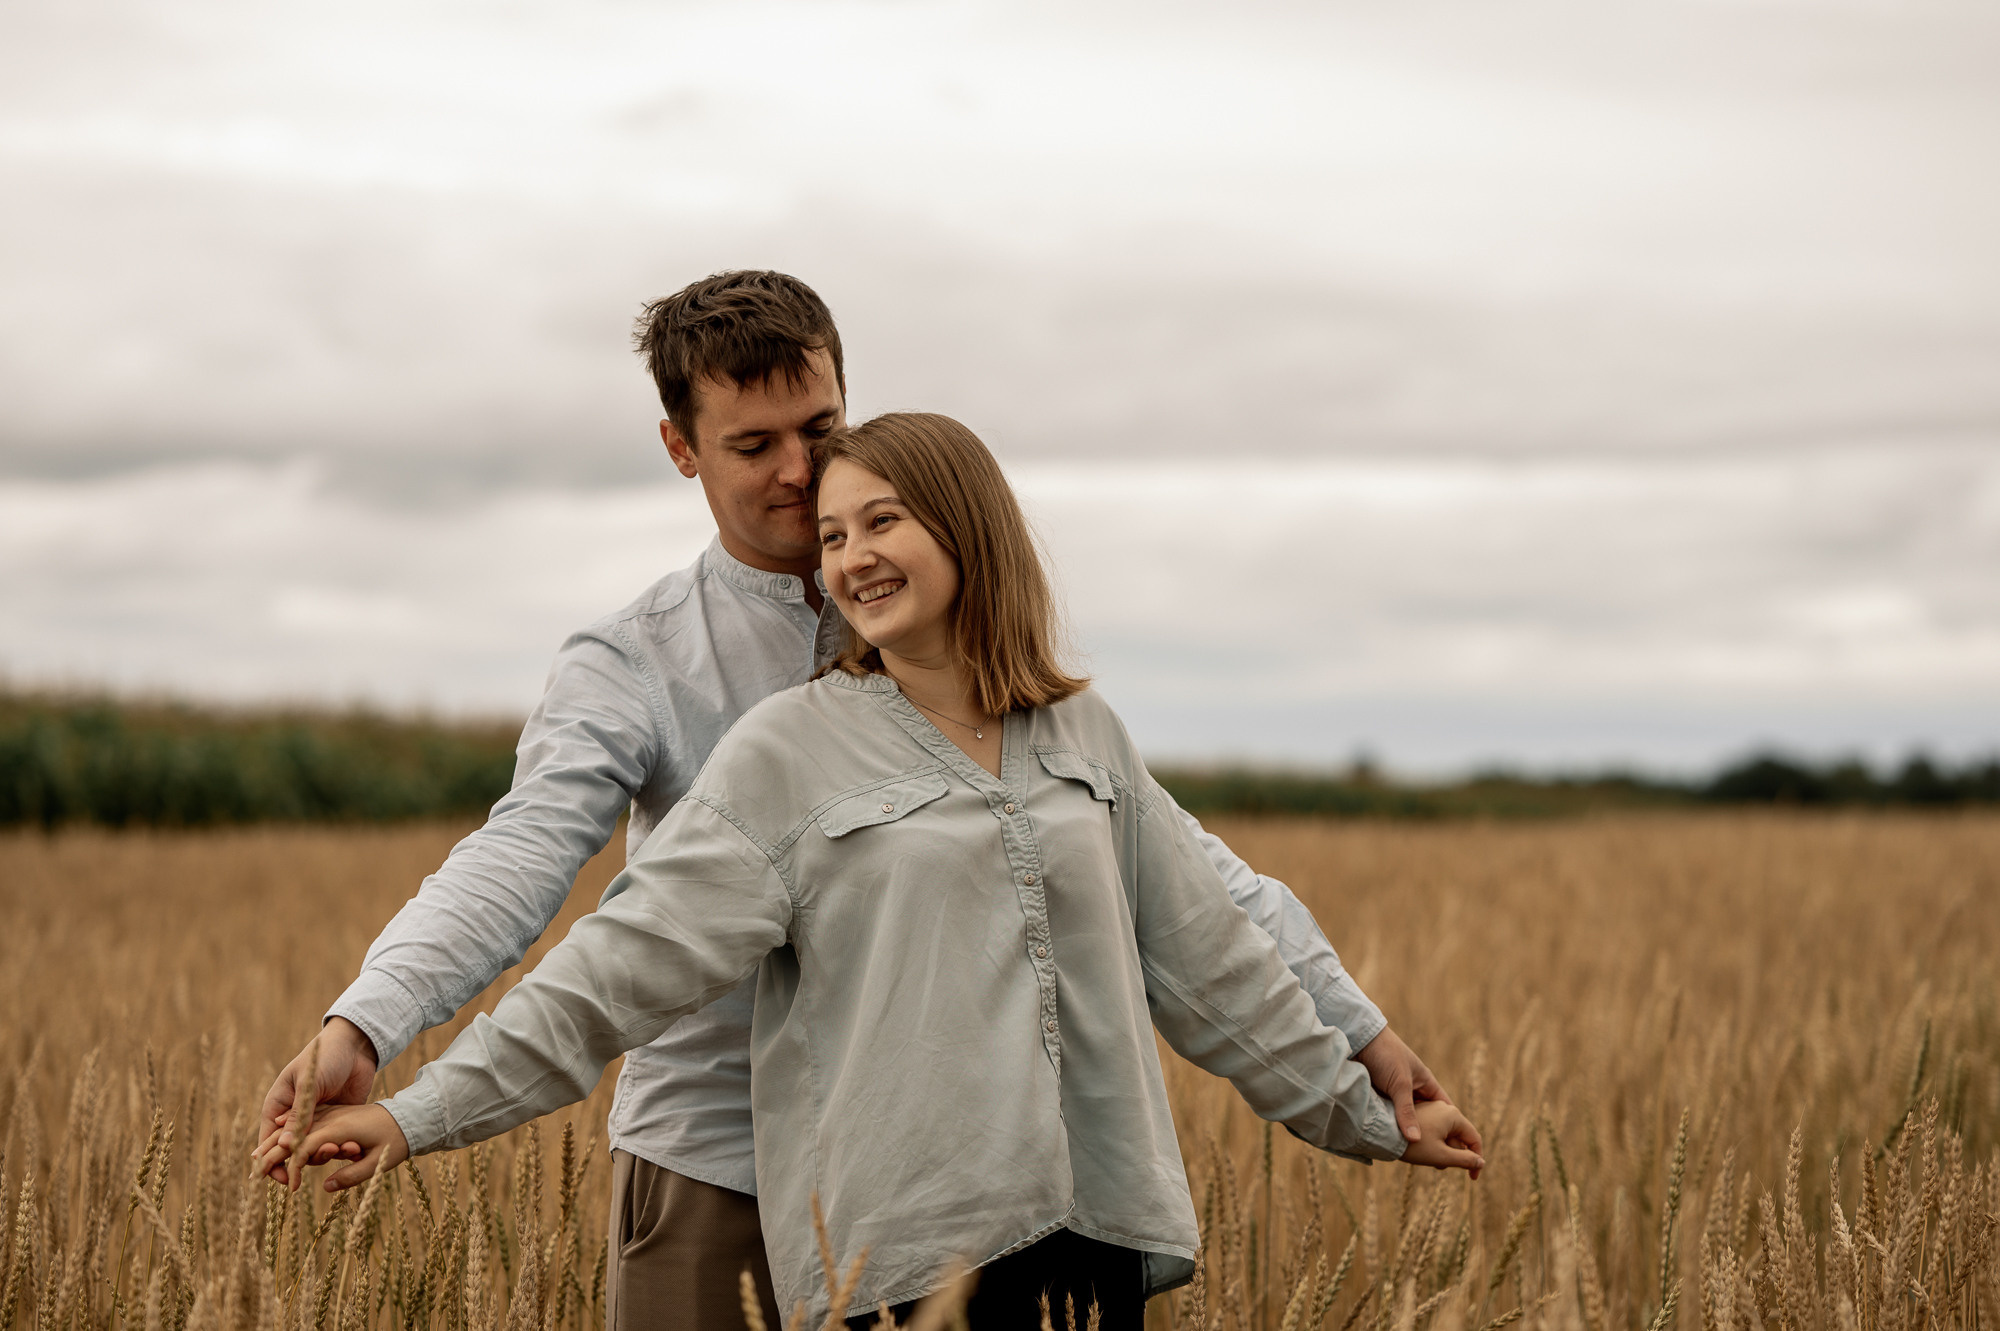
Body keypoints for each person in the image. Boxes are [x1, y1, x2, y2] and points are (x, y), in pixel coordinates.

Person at [256, 271, 1455, 1330]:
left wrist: (1351, 1027)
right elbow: (527, 862)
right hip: (714, 1159)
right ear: (681, 447)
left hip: (944, 1183)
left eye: (818, 429)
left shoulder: (999, 673)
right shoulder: (638, 659)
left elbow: (1185, 881)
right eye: (751, 443)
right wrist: (373, 1022)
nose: (797, 472)